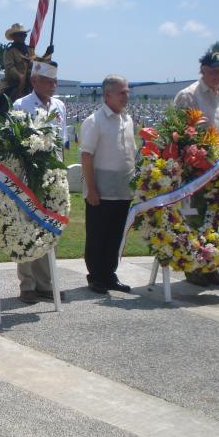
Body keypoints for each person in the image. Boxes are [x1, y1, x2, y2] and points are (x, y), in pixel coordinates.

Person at [174, 50, 219, 286]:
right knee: (198, 220)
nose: (218, 74)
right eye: (213, 70)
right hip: (199, 173)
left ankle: (213, 265)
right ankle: (195, 268)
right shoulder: (188, 95)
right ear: (202, 70)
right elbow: (180, 134)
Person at [12, 52, 67, 304]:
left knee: (49, 228)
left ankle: (46, 283)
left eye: (55, 82)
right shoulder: (21, 105)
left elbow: (61, 143)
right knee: (26, 229)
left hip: (53, 177)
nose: (52, 86)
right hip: (28, 176)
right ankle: (27, 284)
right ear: (34, 81)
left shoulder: (59, 106)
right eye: (47, 81)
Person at [80, 75, 135, 294]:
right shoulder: (95, 121)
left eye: (127, 91)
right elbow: (86, 156)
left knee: (115, 235)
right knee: (98, 235)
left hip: (123, 188)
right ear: (107, 95)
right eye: (122, 92)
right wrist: (91, 189)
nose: (126, 96)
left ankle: (109, 274)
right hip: (101, 189)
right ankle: (95, 276)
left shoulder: (127, 119)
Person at [0, 23, 34, 115]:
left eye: (24, 34)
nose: (23, 36)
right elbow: (9, 67)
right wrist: (20, 76)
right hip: (11, 81)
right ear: (14, 36)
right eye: (20, 34)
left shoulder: (29, 50)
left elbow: (37, 62)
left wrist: (47, 53)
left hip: (29, 80)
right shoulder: (9, 51)